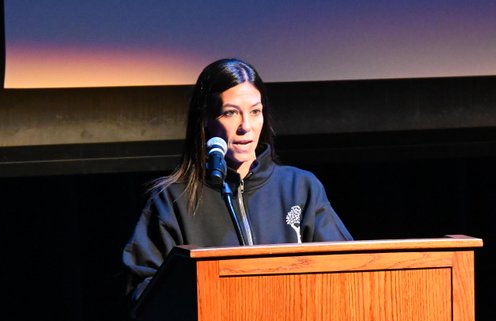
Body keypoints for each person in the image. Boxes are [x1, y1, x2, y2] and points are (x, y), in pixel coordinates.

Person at [122, 58, 352, 299]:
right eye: (230, 113)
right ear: (206, 120)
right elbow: (144, 290)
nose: (246, 126)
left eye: (255, 112)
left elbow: (346, 269)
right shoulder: (172, 199)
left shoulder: (300, 188)